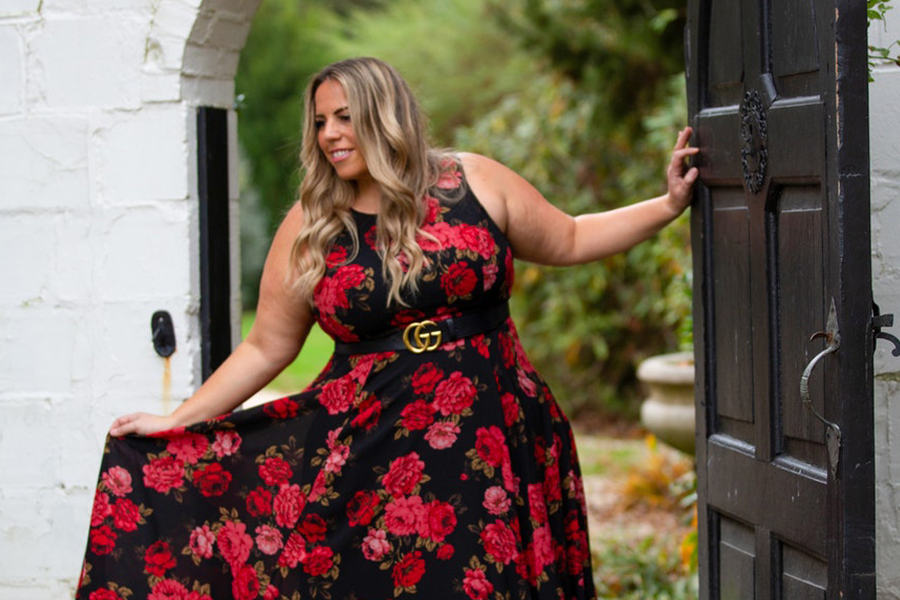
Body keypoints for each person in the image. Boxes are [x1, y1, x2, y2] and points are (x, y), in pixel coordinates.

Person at [75, 57, 698, 600]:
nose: (329, 135)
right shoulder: (311, 222)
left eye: (343, 117)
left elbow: (570, 235)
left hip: (497, 428)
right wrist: (177, 421)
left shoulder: (471, 179)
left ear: (385, 113)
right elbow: (267, 346)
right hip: (374, 453)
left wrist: (667, 204)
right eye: (320, 122)